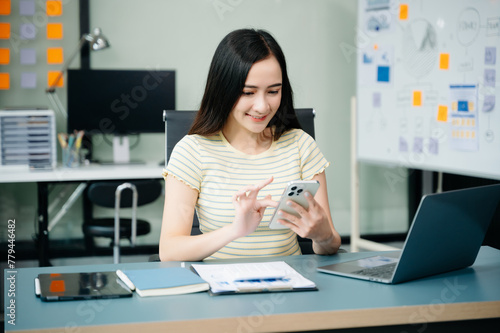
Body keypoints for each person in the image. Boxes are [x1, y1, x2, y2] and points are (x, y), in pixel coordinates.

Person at [159, 28, 341, 261]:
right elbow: (170, 251)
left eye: (273, 91)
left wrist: (323, 236)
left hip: (291, 286)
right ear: (223, 91)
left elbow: (330, 244)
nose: (262, 106)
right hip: (220, 290)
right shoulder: (192, 152)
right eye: (248, 92)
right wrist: (235, 230)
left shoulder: (301, 145)